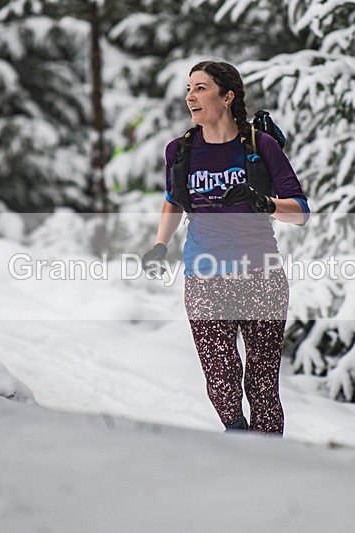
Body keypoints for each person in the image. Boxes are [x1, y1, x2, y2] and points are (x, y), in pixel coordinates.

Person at [142, 60, 309, 436]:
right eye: (189, 88)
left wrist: (265, 203)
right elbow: (173, 199)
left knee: (262, 385)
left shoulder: (259, 145)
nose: (190, 96)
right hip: (204, 277)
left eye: (200, 88)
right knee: (221, 380)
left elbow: (300, 212)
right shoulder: (180, 151)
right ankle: (238, 438)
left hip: (260, 276)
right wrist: (159, 245)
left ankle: (268, 459)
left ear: (227, 96)